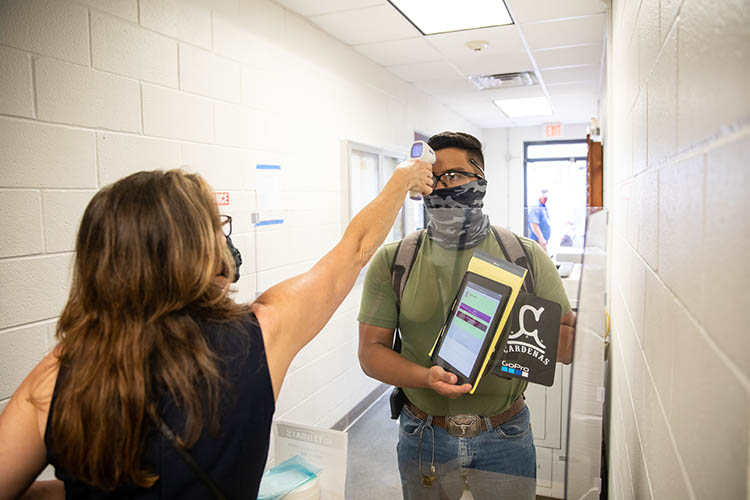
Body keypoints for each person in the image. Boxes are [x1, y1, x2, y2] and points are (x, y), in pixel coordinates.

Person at [0, 160, 433, 500]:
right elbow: (355, 249)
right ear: (198, 250)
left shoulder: (60, 371)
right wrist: (400, 182)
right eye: (217, 227)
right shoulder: (260, 333)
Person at [357, 132, 575, 500]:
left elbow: (567, 347)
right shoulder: (395, 261)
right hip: (423, 436)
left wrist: (513, 337)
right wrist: (426, 377)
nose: (443, 187)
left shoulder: (523, 256)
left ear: (481, 181)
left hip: (505, 435)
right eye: (433, 178)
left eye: (455, 176)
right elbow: (370, 353)